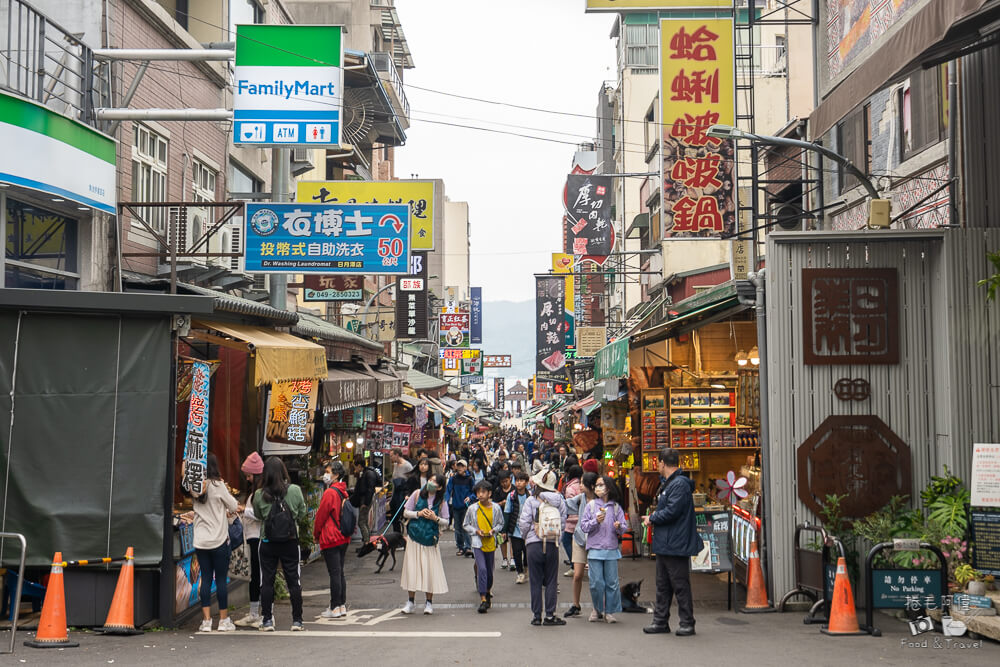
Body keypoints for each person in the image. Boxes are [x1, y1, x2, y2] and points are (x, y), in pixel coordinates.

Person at [643, 448, 701, 637]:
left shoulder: (679, 485)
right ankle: (661, 621)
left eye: (658, 463)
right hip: (667, 542)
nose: (657, 466)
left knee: (679, 583)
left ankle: (687, 622)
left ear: (662, 463)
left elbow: (672, 511)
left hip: (675, 542)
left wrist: (652, 517)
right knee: (663, 584)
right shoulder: (671, 484)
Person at [252, 456, 307, 632]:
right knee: (293, 581)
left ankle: (267, 620)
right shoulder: (295, 490)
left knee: (266, 581)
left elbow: (258, 515)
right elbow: (301, 513)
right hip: (290, 541)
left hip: (267, 541)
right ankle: (297, 620)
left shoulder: (259, 494)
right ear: (284, 471)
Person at [189, 453, 238, 633]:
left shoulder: (195, 486)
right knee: (221, 582)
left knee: (206, 579)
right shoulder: (218, 486)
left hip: (201, 541)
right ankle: (223, 620)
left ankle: (206, 621)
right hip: (218, 540)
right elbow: (233, 506)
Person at [518, 468, 567, 626]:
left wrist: (527, 538)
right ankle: (550, 615)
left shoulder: (531, 500)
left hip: (533, 544)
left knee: (535, 580)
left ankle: (537, 615)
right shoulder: (559, 500)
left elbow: (524, 524)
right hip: (552, 543)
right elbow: (563, 524)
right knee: (552, 580)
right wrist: (557, 539)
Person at [580, 475, 628, 623]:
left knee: (612, 583)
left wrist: (619, 527)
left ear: (609, 487)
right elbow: (584, 526)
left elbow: (624, 527)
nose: (598, 488)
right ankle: (597, 608)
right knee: (596, 582)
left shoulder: (615, 507)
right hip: (595, 549)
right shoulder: (591, 505)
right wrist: (595, 521)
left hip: (611, 550)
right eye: (597, 485)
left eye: (601, 485)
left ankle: (609, 611)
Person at [400, 474, 450, 615]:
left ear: (440, 487)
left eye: (435, 481)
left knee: (429, 571)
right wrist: (419, 513)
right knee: (412, 569)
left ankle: (429, 603)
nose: (431, 482)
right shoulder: (417, 494)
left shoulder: (441, 501)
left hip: (430, 539)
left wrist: (435, 518)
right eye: (430, 480)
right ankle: (410, 601)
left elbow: (446, 521)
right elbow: (405, 512)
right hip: (414, 537)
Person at [314, 460, 351, 619]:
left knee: (334, 573)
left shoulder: (330, 493)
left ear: (336, 474)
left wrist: (316, 535)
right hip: (343, 536)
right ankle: (341, 605)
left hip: (331, 536)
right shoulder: (343, 491)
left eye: (328, 471)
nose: (325, 474)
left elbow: (321, 516)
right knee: (339, 572)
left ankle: (335, 606)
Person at [463, 480, 504, 613]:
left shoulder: (496, 508)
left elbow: (500, 523)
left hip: (490, 542)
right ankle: (483, 599)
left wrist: (493, 531)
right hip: (477, 543)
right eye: (478, 492)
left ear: (489, 493)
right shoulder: (472, 508)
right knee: (482, 569)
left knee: (489, 571)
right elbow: (465, 524)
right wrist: (476, 531)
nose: (480, 494)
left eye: (483, 492)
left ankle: (487, 591)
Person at [234, 452, 264, 628]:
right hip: (253, 537)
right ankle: (255, 613)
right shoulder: (256, 492)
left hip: (256, 537)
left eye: (249, 475)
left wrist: (243, 510)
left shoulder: (259, 493)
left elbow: (261, 514)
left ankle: (258, 614)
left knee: (258, 576)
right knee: (256, 576)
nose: (247, 478)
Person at [563, 472, 598, 619]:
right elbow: (566, 505)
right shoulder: (580, 498)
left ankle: (597, 608)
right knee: (577, 575)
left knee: (595, 577)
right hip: (579, 538)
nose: (580, 486)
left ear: (591, 486)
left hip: (596, 540)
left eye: (583, 483)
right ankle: (576, 605)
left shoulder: (600, 500)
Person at [504, 471, 531, 584]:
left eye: (521, 481)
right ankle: (520, 573)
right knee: (516, 552)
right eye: (517, 481)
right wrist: (504, 530)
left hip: (528, 529)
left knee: (527, 552)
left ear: (526, 482)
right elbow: (507, 512)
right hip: (515, 529)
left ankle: (526, 569)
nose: (519, 483)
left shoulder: (530, 496)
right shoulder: (511, 496)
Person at [445, 459, 475, 557]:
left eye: (462, 466)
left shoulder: (470, 479)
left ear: (466, 468)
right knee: (457, 528)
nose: (460, 468)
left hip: (466, 507)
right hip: (456, 505)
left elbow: (475, 492)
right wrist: (445, 502)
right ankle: (460, 547)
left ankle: (468, 547)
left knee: (466, 526)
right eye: (459, 466)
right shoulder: (453, 479)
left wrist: (470, 498)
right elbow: (448, 491)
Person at [350, 457, 380, 544]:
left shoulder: (368, 474)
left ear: (359, 466)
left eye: (355, 467)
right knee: (364, 521)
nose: (355, 469)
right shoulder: (366, 473)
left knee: (361, 522)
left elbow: (370, 489)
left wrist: (365, 503)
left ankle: (367, 542)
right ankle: (368, 541)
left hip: (365, 501)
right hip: (364, 500)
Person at [561, 465, 583, 571]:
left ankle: (575, 565)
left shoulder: (570, 487)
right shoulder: (582, 485)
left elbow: (570, 505)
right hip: (581, 519)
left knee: (566, 541)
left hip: (572, 520)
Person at [492, 473, 514, 569]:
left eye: (506, 481)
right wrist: (502, 503)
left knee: (512, 537)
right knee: (501, 539)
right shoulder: (497, 490)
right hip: (500, 517)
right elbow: (494, 504)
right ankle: (505, 558)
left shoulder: (514, 489)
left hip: (512, 516)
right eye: (502, 482)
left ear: (510, 479)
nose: (504, 484)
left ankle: (513, 558)